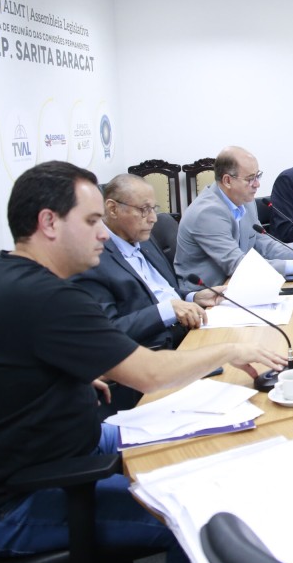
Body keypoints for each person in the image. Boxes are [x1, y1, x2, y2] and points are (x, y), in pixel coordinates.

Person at [0, 161, 285, 563]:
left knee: (203, 443)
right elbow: (149, 375)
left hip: (61, 443)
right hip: (19, 502)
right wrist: (230, 350)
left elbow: (6, 368)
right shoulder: (48, 298)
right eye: (92, 220)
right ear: (49, 222)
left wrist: (70, 376)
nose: (102, 233)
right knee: (194, 515)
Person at [73, 174, 223, 412]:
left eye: (154, 208)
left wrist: (193, 297)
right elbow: (110, 331)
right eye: (144, 210)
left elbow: (161, 291)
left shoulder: (142, 236)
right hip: (154, 361)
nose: (153, 218)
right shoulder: (93, 258)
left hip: (190, 334)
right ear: (112, 208)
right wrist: (169, 310)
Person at [176, 146, 293, 291]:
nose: (257, 184)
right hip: (208, 293)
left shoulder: (245, 201)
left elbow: (264, 243)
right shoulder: (207, 213)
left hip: (238, 283)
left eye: (258, 176)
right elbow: (237, 264)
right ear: (227, 180)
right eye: (250, 179)